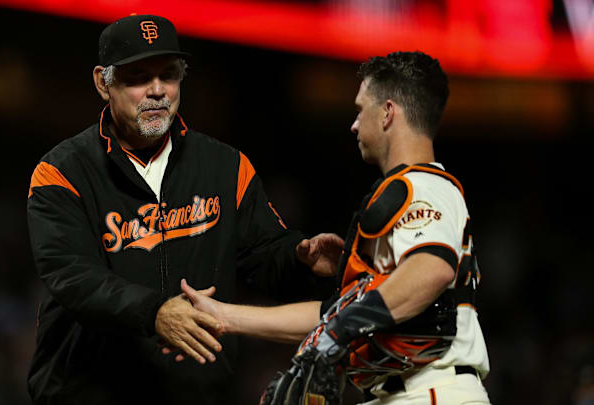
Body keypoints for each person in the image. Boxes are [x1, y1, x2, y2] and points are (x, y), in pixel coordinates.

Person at [25, 14, 341, 405]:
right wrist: (154, 312)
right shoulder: (62, 172)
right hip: (90, 392)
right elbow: (73, 277)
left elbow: (261, 258)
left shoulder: (226, 167)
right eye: (139, 77)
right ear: (102, 83)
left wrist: (299, 260)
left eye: (169, 75)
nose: (158, 91)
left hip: (197, 393)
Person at [181, 51, 491, 404]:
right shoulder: (412, 195)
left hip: (432, 391)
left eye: (361, 109)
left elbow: (431, 269)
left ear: (388, 112)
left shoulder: (422, 184)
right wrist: (224, 316)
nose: (354, 124)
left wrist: (340, 331)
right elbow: (333, 315)